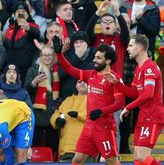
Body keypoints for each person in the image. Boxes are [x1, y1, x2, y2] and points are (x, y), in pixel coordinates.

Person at [53, 37, 125, 165]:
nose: (94, 60)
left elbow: (120, 103)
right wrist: (59, 54)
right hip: (88, 127)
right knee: (77, 160)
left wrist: (101, 112)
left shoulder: (114, 78)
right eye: (95, 57)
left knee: (112, 160)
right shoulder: (90, 74)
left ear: (108, 60)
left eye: (98, 58)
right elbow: (70, 69)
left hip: (104, 128)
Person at [105, 34, 164, 165]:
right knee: (137, 158)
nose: (127, 49)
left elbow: (148, 94)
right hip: (144, 115)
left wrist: (128, 107)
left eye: (130, 45)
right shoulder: (138, 68)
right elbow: (134, 94)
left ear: (139, 48)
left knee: (143, 157)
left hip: (153, 115)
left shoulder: (150, 67)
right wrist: (117, 84)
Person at [50, 80, 88, 162]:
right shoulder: (67, 100)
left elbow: (96, 118)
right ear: (75, 85)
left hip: (86, 149)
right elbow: (56, 114)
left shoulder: (94, 100)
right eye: (79, 82)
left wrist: (78, 115)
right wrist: (57, 120)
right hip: (66, 148)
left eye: (85, 81)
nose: (82, 83)